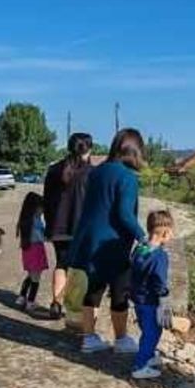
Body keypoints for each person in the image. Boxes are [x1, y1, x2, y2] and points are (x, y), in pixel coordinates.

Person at [69, 128, 147, 354]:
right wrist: (143, 237)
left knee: (93, 289)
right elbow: (124, 214)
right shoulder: (127, 178)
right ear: (134, 151)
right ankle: (121, 339)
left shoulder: (97, 171)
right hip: (111, 244)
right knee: (120, 291)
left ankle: (89, 337)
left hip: (89, 240)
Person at [43, 132, 92, 319]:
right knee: (81, 269)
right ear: (89, 149)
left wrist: (49, 225)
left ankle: (56, 303)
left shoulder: (54, 170)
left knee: (61, 264)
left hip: (58, 228)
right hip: (83, 229)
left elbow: (47, 200)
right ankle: (77, 309)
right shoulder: (91, 173)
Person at [130, 210, 174, 380]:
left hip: (138, 298)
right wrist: (164, 297)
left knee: (145, 328)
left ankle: (147, 356)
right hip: (151, 300)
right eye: (171, 232)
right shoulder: (160, 256)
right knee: (153, 332)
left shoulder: (139, 249)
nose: (172, 236)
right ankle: (140, 365)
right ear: (164, 232)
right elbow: (159, 280)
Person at [15, 191, 49, 312]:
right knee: (36, 278)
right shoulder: (36, 220)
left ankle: (21, 297)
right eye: (42, 208)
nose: (43, 211)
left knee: (30, 275)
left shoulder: (25, 219)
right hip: (37, 250)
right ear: (36, 208)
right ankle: (30, 302)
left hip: (27, 250)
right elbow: (44, 236)